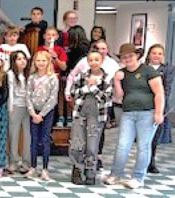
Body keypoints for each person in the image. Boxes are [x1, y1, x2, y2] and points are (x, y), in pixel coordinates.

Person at [105, 43, 165, 189]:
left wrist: (158, 112)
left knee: (144, 146)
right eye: (124, 57)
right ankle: (115, 174)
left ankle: (138, 177)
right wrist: (117, 81)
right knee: (122, 144)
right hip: (128, 113)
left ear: (137, 55)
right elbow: (118, 97)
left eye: (130, 56)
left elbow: (159, 93)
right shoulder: (122, 73)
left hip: (148, 113)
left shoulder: (148, 71)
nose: (128, 59)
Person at [68, 50, 111, 185]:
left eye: (96, 60)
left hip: (97, 116)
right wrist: (87, 87)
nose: (93, 62)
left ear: (101, 61)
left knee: (92, 146)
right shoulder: (81, 76)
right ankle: (77, 169)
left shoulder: (106, 79)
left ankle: (90, 171)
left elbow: (106, 98)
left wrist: (94, 87)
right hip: (80, 114)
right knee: (77, 142)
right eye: (91, 60)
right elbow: (74, 92)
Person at [26, 51, 59, 180]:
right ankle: (33, 167)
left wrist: (42, 114)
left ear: (48, 62)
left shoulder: (52, 78)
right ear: (34, 62)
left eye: (43, 61)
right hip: (33, 111)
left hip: (47, 112)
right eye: (38, 60)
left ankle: (45, 168)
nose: (41, 63)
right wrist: (33, 113)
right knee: (33, 140)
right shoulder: (32, 77)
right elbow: (28, 95)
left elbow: (53, 98)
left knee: (45, 140)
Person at [145, 44, 175, 174]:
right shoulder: (144, 68)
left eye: (159, 53)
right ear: (149, 54)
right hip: (143, 105)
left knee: (155, 136)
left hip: (159, 105)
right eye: (154, 53)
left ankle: (151, 161)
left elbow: (166, 88)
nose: (156, 56)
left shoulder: (167, 70)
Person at [6, 51, 32, 174]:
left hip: (28, 107)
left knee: (28, 135)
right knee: (13, 134)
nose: (22, 61)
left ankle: (26, 162)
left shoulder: (30, 75)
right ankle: (13, 161)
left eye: (24, 59)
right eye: (19, 59)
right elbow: (10, 92)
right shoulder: (10, 74)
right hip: (15, 106)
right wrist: (10, 108)